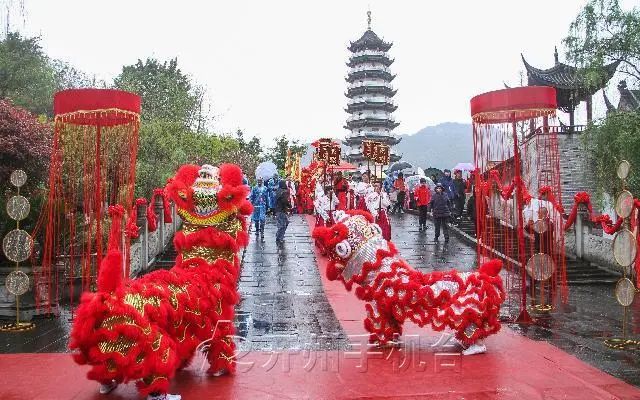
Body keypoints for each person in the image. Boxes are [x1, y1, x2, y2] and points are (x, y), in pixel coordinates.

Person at [275, 180, 290, 244]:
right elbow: (284, 201)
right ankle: (279, 237)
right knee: (283, 225)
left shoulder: (278, 191)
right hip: (282, 210)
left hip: (278, 210)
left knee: (284, 223)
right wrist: (289, 205)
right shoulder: (284, 192)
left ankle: (279, 235)